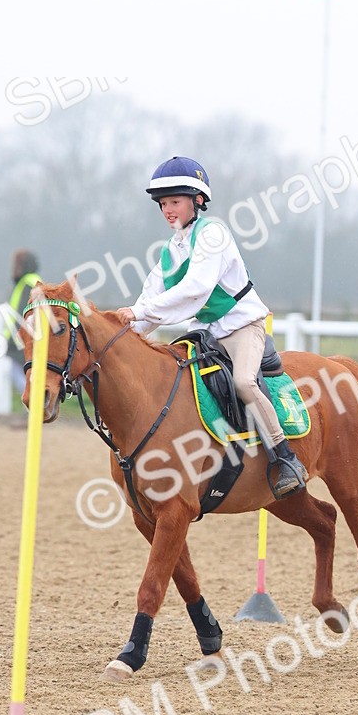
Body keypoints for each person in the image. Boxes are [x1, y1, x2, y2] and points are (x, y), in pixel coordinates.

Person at [116, 156, 308, 498]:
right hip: (206, 334)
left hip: (242, 327)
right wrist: (118, 337)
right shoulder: (169, 250)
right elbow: (149, 308)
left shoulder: (213, 233)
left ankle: (285, 457)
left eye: (175, 201)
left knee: (245, 383)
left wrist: (138, 310)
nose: (168, 210)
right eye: (163, 204)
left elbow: (195, 289)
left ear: (198, 200)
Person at [3, 249, 41, 394]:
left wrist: (17, 336)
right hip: (25, 335)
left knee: (18, 370)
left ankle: (35, 401)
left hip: (23, 337)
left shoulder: (27, 283)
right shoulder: (30, 281)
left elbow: (22, 313)